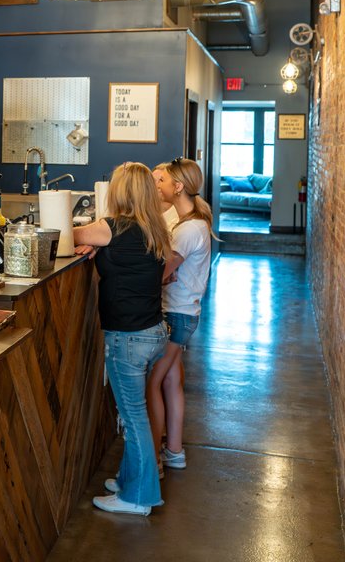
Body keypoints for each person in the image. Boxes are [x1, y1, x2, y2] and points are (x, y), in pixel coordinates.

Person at [72, 162, 171, 516]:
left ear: (119, 192)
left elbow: (67, 234)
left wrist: (95, 243)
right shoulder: (155, 228)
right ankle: (130, 479)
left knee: (133, 419)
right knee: (135, 415)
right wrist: (102, 249)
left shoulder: (111, 227)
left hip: (128, 338)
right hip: (153, 331)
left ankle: (138, 498)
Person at [147, 157, 213, 473]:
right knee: (171, 381)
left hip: (175, 314)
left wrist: (159, 273)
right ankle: (174, 450)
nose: (156, 185)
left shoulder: (189, 229)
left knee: (154, 384)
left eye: (161, 181)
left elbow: (161, 274)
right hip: (185, 313)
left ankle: (154, 461)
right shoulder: (191, 222)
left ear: (178, 186)